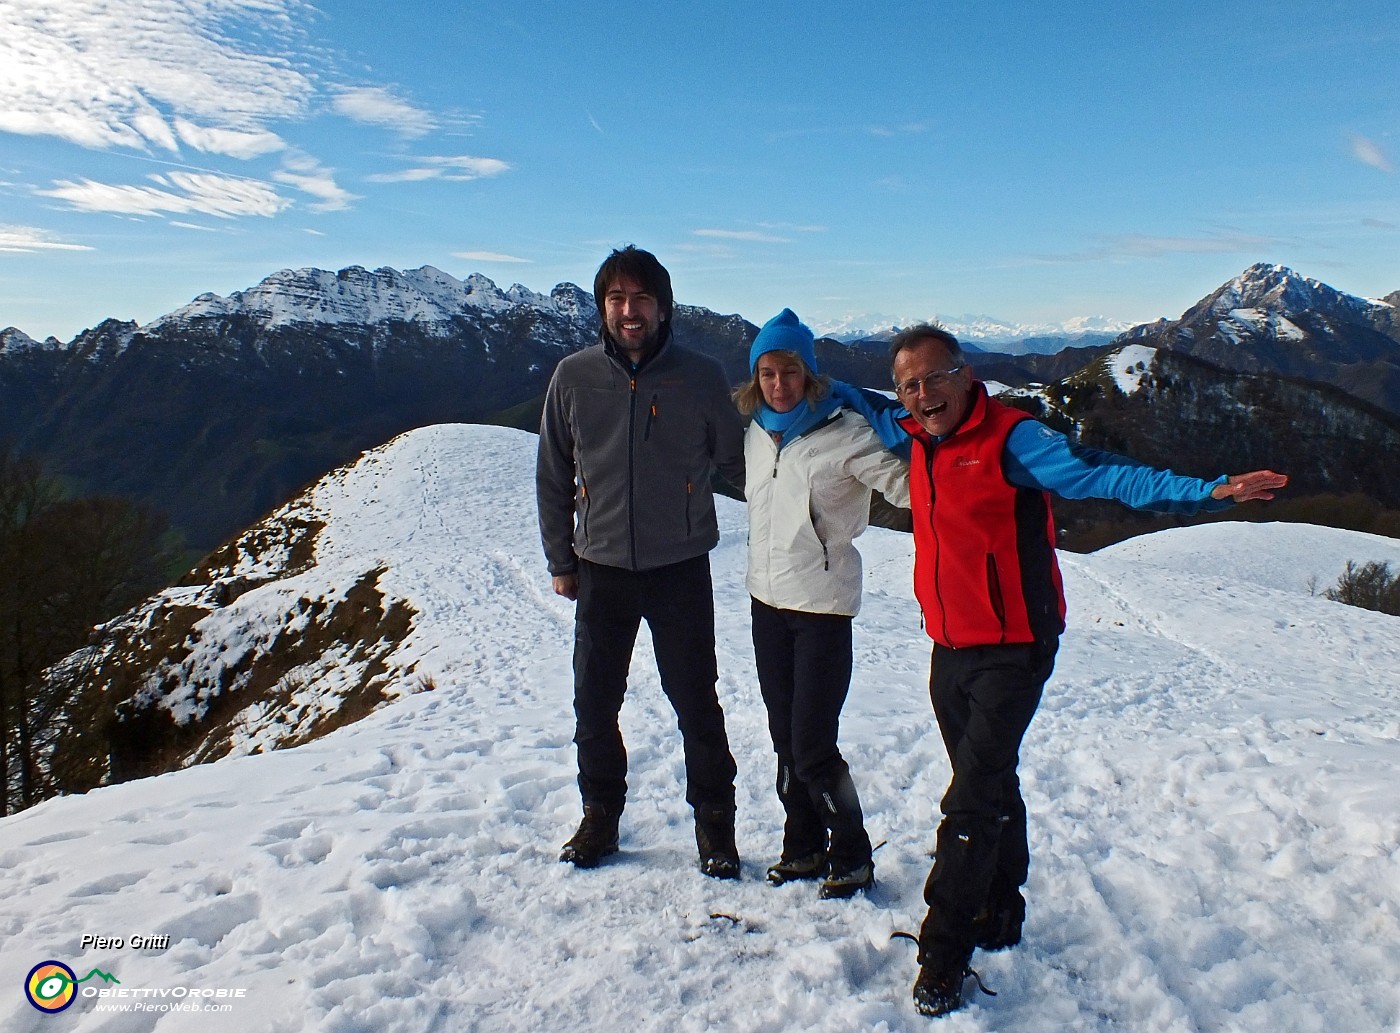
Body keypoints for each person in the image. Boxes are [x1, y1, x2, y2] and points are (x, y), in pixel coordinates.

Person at [833, 324, 1286, 1017]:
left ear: (965, 374)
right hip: (950, 645)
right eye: (909, 384)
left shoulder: (1013, 441)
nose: (923, 395)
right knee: (989, 780)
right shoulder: (912, 434)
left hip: (1015, 647)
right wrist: (795, 368)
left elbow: (1106, 472)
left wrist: (1212, 491)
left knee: (970, 800)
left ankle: (944, 951)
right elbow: (850, 399)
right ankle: (1003, 906)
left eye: (934, 377)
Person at [536, 246, 746, 878]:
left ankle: (715, 825)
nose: (630, 312)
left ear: (663, 307)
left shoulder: (701, 376)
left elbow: (738, 464)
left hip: (679, 565)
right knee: (594, 702)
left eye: (642, 299)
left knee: (696, 700)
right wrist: (561, 559)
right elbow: (554, 473)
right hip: (600, 567)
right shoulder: (572, 376)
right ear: (602, 307)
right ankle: (599, 816)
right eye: (617, 299)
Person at [735, 309, 911, 900]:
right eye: (767, 372)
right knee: (785, 739)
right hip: (766, 603)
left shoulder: (847, 433)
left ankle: (852, 851)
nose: (778, 384)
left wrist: (973, 474)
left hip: (823, 609)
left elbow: (909, 487)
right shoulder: (756, 431)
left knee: (812, 743)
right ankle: (803, 846)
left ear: (809, 374)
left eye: (789, 371)